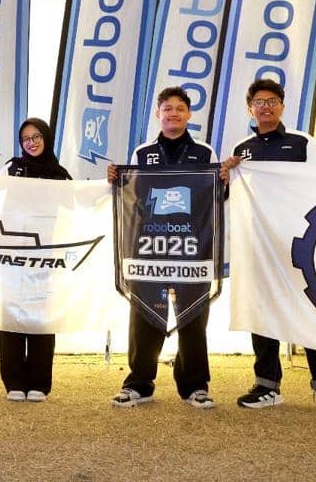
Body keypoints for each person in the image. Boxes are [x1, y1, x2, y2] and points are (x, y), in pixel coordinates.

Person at [219, 79, 316, 416]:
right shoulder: (241, 148)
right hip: (260, 244)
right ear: (250, 109)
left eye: (272, 101)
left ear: (282, 106)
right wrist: (226, 177)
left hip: (301, 241)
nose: (266, 107)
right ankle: (267, 385)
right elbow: (230, 196)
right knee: (262, 311)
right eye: (259, 102)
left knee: (313, 308)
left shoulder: (302, 142)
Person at [107, 86, 218, 409]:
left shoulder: (205, 153)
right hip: (150, 245)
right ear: (158, 114)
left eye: (180, 108)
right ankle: (139, 384)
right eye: (167, 108)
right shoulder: (142, 153)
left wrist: (223, 179)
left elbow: (215, 198)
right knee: (145, 314)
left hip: (192, 246)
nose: (173, 113)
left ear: (189, 114)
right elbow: (132, 196)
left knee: (193, 316)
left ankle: (195, 386)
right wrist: (116, 179)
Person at [0, 117, 72, 403]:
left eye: (36, 136)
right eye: (26, 138)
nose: (31, 142)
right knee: (12, 313)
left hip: (46, 256)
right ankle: (14, 381)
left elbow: (77, 205)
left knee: (42, 316)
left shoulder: (61, 175)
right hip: (12, 254)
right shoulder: (11, 168)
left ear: (47, 138)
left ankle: (40, 382)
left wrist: (109, 185)